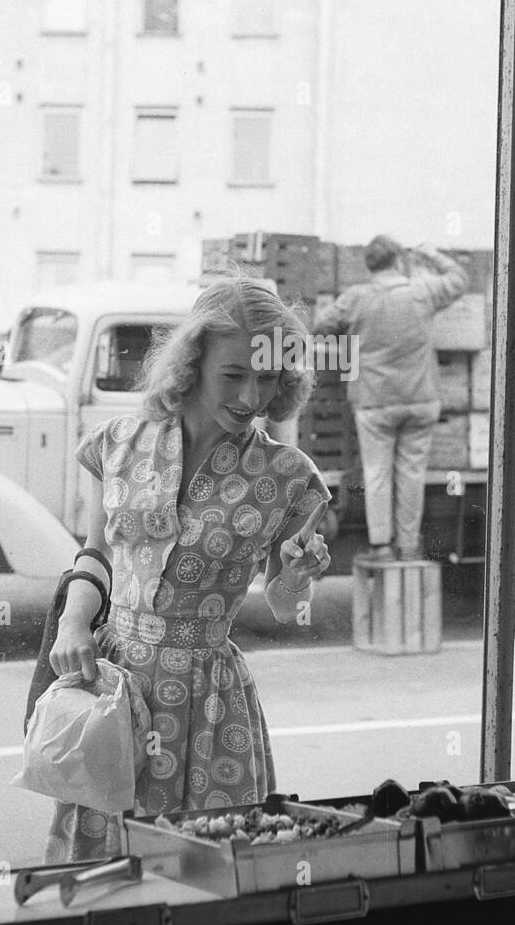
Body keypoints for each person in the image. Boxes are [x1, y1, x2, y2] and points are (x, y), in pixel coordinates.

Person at [24, 276, 332, 863]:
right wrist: (72, 625)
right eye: (234, 373)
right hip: (114, 693)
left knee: (206, 869)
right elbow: (97, 558)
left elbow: (287, 607)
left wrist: (298, 575)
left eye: (267, 377)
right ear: (192, 363)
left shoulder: (290, 478)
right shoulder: (119, 444)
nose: (251, 395)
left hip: (211, 703)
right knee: (103, 867)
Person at [314, 237, 468, 562]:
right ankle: (408, 545)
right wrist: (430, 252)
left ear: (370, 265)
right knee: (412, 473)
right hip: (421, 398)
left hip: (374, 401)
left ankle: (381, 546)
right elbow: (459, 279)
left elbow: (322, 324)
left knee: (378, 473)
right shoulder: (423, 291)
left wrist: (352, 341)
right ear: (398, 260)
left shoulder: (357, 298)